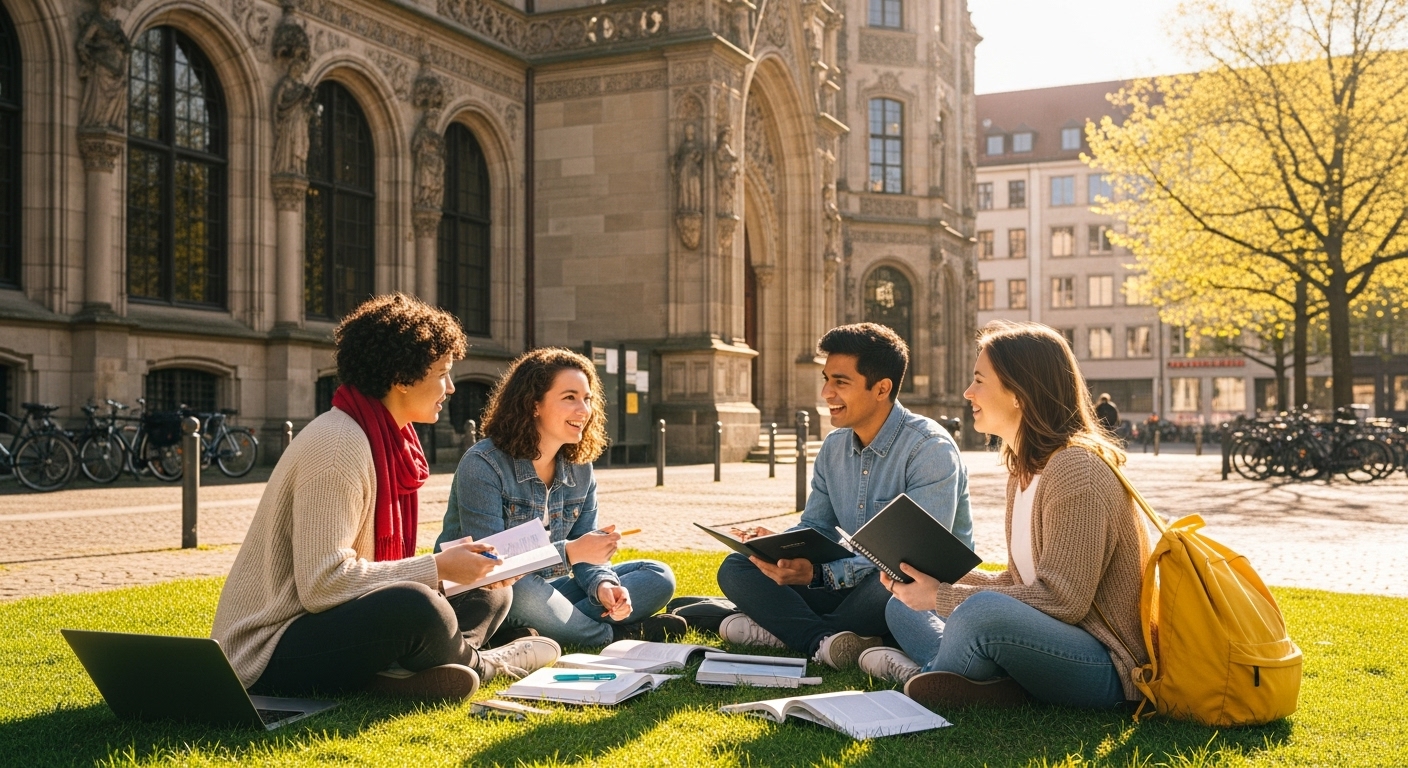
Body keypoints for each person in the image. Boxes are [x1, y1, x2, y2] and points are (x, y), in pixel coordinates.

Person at [211, 294, 560, 702]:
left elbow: (366, 576)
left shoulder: (387, 439)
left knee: (492, 590)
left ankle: (404, 673)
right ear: (401, 376)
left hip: (329, 623)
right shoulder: (339, 446)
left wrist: (456, 569)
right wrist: (436, 567)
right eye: (443, 373)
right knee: (415, 606)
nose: (449, 386)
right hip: (271, 648)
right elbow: (322, 585)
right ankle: (486, 664)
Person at [858, 321, 1150, 710]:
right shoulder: (1025, 470)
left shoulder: (1077, 469)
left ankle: (927, 675)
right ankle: (973, 681)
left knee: (978, 612)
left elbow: (1064, 600)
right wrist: (939, 578)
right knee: (902, 604)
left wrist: (944, 596)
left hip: (1105, 666)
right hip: (1046, 643)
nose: (968, 392)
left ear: (1018, 393)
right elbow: (1018, 581)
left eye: (980, 380)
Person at [715, 323, 974, 669]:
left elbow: (917, 563)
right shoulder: (834, 447)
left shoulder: (929, 450)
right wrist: (780, 549)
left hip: (907, 589)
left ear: (881, 388)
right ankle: (827, 640)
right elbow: (816, 526)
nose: (825, 393)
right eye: (826, 379)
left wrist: (821, 575)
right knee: (737, 568)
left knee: (894, 584)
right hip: (850, 585)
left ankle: (791, 631)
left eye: (840, 382)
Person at [436, 348, 682, 646]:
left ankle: (539, 631)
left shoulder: (580, 469)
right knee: (521, 588)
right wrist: (570, 552)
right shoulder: (483, 464)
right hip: (490, 594)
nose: (584, 410)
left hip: (551, 592)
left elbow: (588, 554)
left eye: (587, 399)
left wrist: (603, 584)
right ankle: (613, 634)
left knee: (658, 574)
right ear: (534, 404)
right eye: (570, 397)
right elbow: (489, 565)